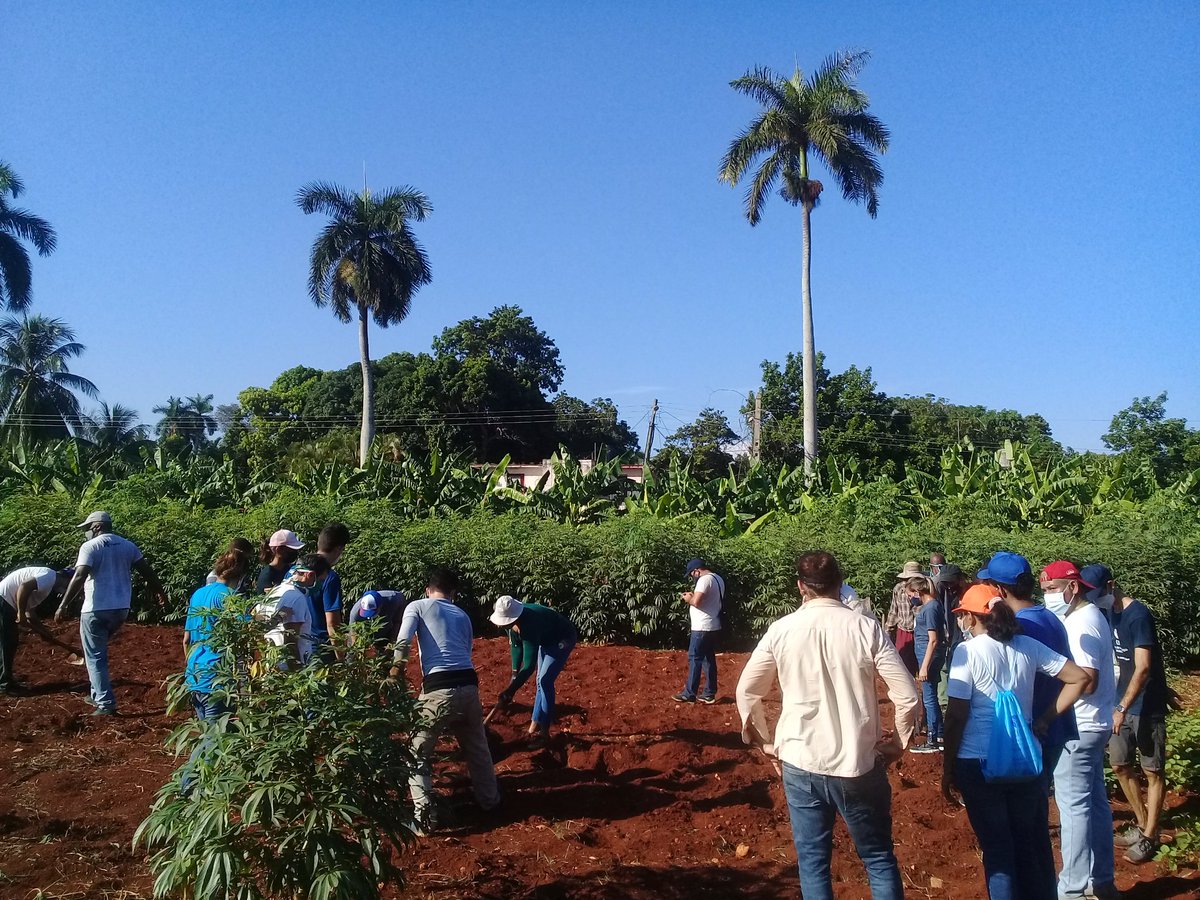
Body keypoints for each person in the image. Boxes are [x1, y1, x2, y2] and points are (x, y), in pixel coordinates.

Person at [736, 550, 919, 900]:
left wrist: (764, 743)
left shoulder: (781, 630)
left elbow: (747, 691)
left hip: (800, 761)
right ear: (839, 583)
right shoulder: (866, 628)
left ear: (800, 587)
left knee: (813, 862)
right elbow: (907, 695)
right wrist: (898, 742)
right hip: (858, 764)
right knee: (878, 859)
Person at [942, 584, 1090, 900]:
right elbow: (1079, 677)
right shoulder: (1027, 646)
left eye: (963, 615)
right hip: (1025, 760)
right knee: (1027, 843)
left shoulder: (967, 652)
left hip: (977, 761)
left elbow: (956, 715)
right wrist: (1045, 719)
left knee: (998, 850)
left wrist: (947, 766)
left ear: (971, 617)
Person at [397, 569, 499, 832]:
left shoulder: (417, 606)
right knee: (477, 747)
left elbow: (403, 642)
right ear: (453, 594)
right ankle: (490, 802)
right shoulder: (462, 614)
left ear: (427, 589)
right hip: (468, 685)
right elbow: (465, 651)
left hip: (438, 689)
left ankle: (424, 820)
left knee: (416, 753)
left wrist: (394, 673)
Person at [1041, 560, 1118, 900]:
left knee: (1073, 809)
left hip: (1080, 726)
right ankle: (1101, 881)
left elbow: (1087, 680)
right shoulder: (1088, 617)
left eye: (1052, 590)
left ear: (1072, 588)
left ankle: (1070, 890)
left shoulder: (1081, 623)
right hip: (1095, 724)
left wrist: (1053, 680)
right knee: (1095, 805)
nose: (1048, 597)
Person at [56, 511, 167, 716]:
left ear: (97, 527)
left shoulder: (90, 547)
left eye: (88, 528)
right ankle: (97, 693)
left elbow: (80, 575)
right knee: (97, 654)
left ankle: (105, 704)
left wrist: (63, 605)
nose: (87, 533)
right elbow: (147, 570)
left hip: (96, 609)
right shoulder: (128, 545)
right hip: (121, 609)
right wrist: (160, 592)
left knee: (95, 657)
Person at [1103, 567, 1171, 865]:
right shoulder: (1109, 614)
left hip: (1145, 705)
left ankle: (1151, 835)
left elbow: (1143, 666)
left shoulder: (1138, 615)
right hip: (1122, 701)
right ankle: (1143, 825)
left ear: (1111, 585)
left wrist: (1122, 706)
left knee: (1153, 771)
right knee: (1119, 765)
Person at [491, 595, 578, 748]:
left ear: (513, 618)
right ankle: (534, 725)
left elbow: (529, 666)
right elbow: (516, 648)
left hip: (562, 640)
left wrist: (511, 690)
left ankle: (544, 734)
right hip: (545, 639)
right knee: (540, 681)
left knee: (544, 681)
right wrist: (514, 673)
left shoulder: (530, 624)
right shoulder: (512, 624)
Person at [184, 548, 251, 719]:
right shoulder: (231, 598)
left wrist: (190, 671)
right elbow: (248, 632)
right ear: (241, 575)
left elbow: (186, 640)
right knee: (216, 739)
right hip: (218, 678)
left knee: (205, 734)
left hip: (195, 675)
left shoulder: (198, 594)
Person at [0, 565, 74, 693]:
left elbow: (30, 613)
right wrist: (20, 613)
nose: (66, 590)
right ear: (67, 579)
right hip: (3, 601)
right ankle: (5, 684)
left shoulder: (46, 585)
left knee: (9, 642)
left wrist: (44, 632)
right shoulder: (49, 577)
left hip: (6, 602)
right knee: (7, 642)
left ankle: (7, 680)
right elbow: (24, 586)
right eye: (69, 585)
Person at [253, 554, 325, 669]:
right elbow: (290, 641)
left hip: (271, 663)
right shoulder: (297, 598)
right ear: (310, 575)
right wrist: (297, 675)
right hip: (286, 668)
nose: (321, 583)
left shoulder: (277, 590)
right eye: (321, 579)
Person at [672, 558, 723, 703]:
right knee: (708, 659)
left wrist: (688, 598)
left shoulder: (704, 580)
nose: (692, 577)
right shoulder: (717, 578)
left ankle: (690, 693)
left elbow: (696, 602)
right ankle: (709, 693)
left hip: (702, 626)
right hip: (713, 624)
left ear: (696, 571)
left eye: (691, 574)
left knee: (695, 658)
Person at [910, 577, 945, 753]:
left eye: (911, 594)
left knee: (929, 698)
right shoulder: (932, 606)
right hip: (927, 655)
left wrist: (924, 666)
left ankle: (932, 740)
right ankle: (938, 733)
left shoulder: (930, 608)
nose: (911, 598)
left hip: (928, 656)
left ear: (918, 592)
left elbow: (933, 640)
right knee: (931, 696)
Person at [307, 523, 350, 659]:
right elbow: (332, 623)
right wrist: (340, 657)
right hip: (322, 649)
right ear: (338, 549)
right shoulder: (330, 577)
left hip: (300, 644)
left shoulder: (298, 570)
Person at [884, 561, 922, 676]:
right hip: (903, 631)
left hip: (919, 631)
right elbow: (893, 611)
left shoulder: (923, 591)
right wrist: (888, 631)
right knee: (904, 667)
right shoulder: (898, 589)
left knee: (921, 665)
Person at [349, 589, 407, 654]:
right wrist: (359, 650)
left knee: (389, 653)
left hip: (387, 628)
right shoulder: (355, 612)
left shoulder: (394, 599)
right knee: (351, 653)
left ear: (380, 605)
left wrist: (392, 641)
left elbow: (398, 621)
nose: (369, 617)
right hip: (366, 634)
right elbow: (353, 633)